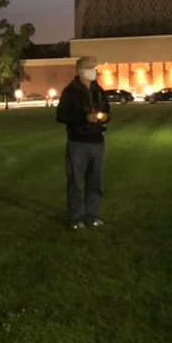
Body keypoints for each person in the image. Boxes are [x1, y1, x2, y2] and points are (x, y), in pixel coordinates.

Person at [55, 56, 111, 229]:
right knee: (76, 182)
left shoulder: (98, 91)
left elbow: (108, 111)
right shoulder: (70, 92)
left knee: (95, 181)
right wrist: (84, 117)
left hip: (97, 141)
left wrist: (104, 117)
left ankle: (93, 215)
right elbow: (62, 116)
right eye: (91, 68)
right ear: (81, 71)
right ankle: (77, 217)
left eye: (95, 68)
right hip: (78, 142)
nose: (94, 71)